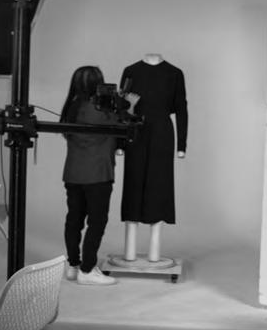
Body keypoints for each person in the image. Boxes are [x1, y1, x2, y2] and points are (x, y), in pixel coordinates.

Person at [60, 65, 139, 286]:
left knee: (74, 220)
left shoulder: (71, 107)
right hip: (97, 175)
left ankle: (73, 265)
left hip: (73, 174)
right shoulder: (100, 110)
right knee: (96, 222)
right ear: (98, 84)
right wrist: (129, 105)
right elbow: (125, 125)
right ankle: (87, 270)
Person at [118, 53, 187, 264]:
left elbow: (181, 109)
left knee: (159, 186)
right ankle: (129, 250)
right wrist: (119, 142)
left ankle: (154, 251)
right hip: (135, 132)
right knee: (133, 184)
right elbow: (120, 107)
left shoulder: (174, 74)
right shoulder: (131, 71)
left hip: (162, 134)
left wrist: (181, 145)